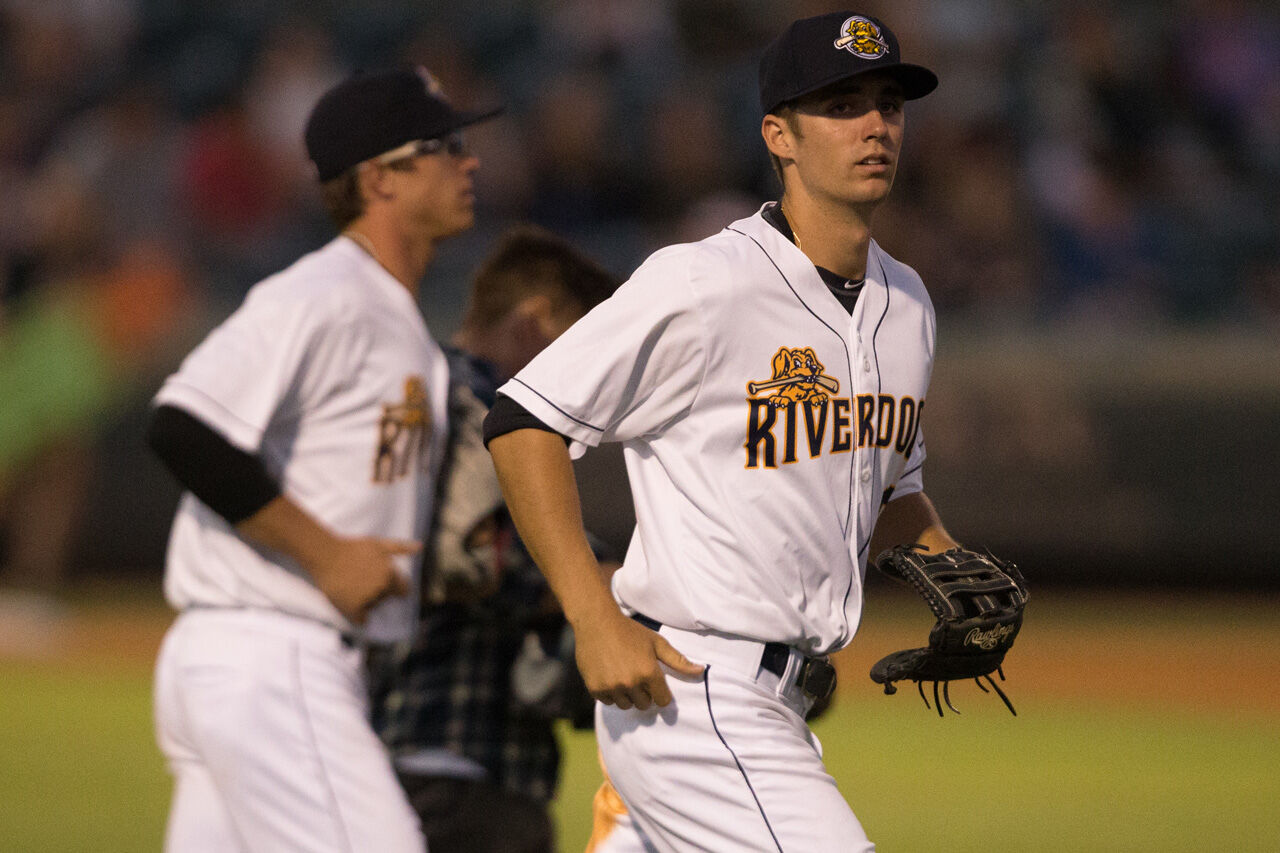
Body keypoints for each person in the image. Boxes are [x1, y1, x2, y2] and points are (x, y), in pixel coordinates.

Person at [485, 12, 954, 851]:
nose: (875, 125)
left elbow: (882, 486)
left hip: (780, 701)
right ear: (779, 135)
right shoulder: (705, 282)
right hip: (698, 692)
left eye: (889, 103)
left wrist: (946, 561)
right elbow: (522, 419)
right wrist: (593, 616)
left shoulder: (908, 304)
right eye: (842, 106)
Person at [146, 66, 500, 852]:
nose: (469, 161)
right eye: (444, 146)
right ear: (379, 178)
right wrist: (329, 553)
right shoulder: (324, 292)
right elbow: (183, 425)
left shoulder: (387, 310)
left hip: (261, 660)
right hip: (274, 649)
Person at [367, 225, 620, 853]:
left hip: (394, 750)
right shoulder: (477, 405)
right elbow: (478, 562)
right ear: (534, 323)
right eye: (582, 346)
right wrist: (639, 587)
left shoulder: (412, 394)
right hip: (458, 763)